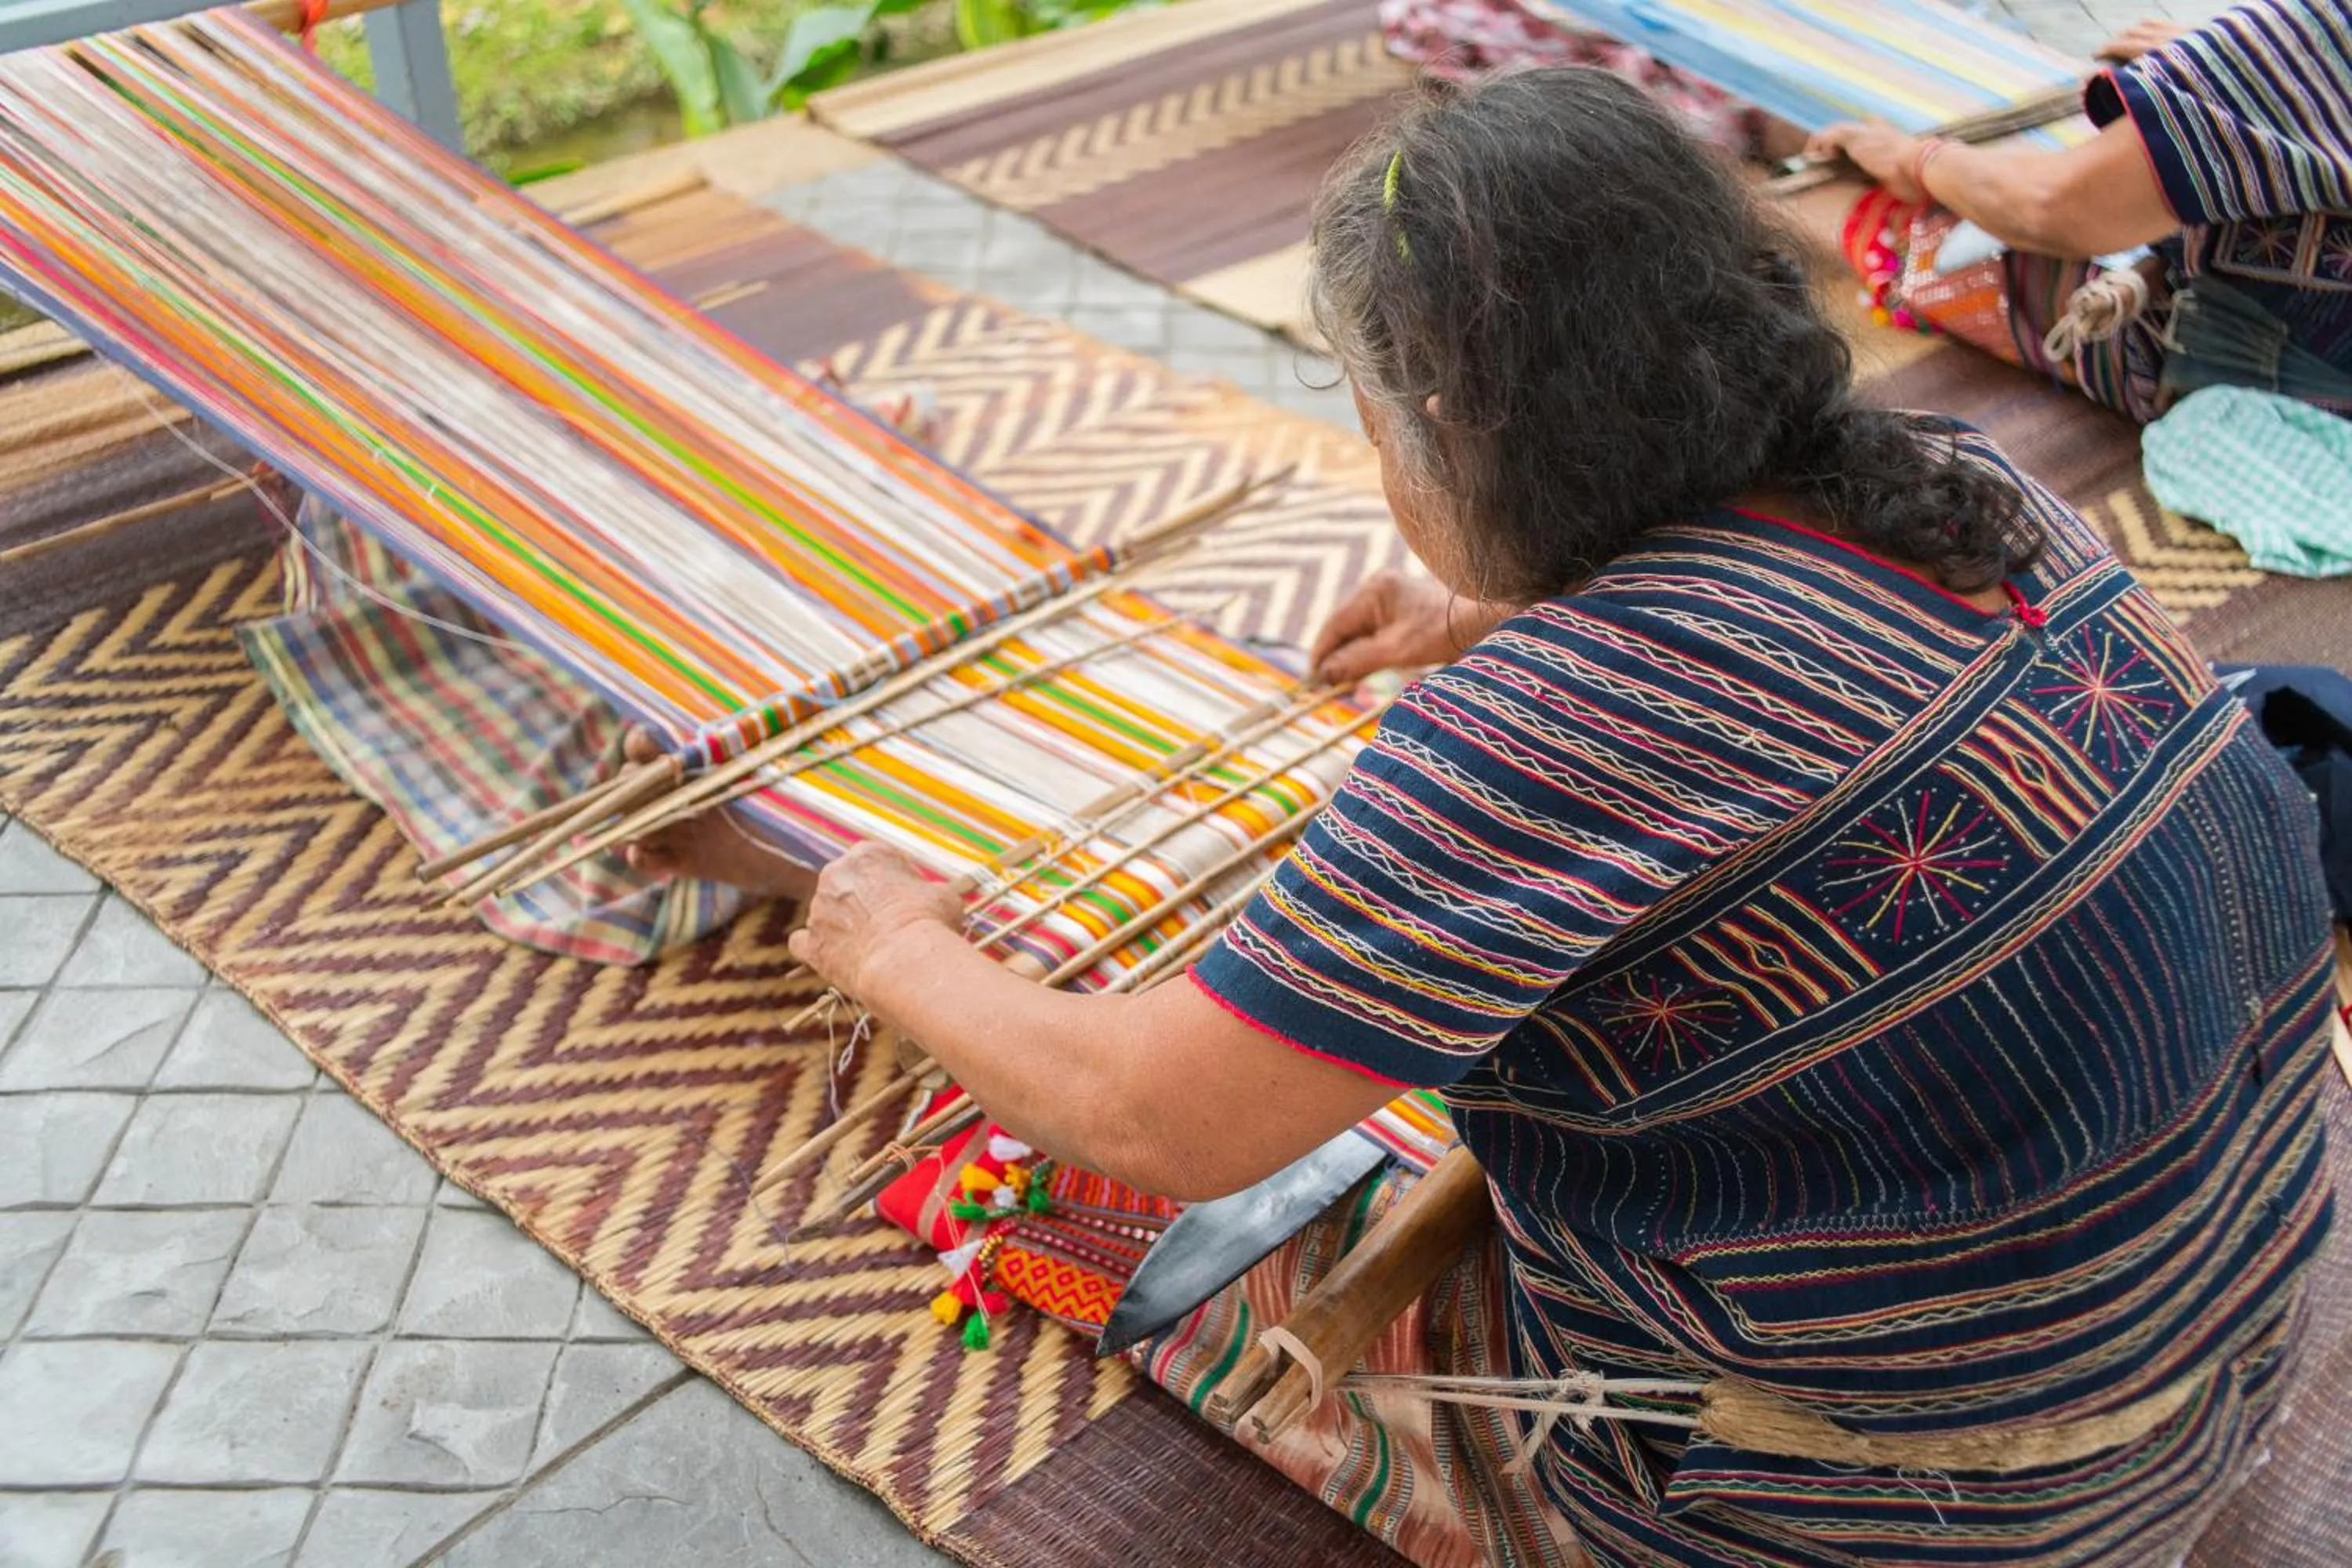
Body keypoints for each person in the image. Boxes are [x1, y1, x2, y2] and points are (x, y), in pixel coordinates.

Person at [680, 67, 2338, 1567]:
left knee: (1128, 1222)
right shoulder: (1968, 490)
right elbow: (1787, 706)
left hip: (1940, 1496)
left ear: (1448, 428)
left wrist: (890, 945)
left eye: (1371, 405)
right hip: (2249, 1314)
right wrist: (1490, 611)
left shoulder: (1540, 738)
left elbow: (1157, 1120)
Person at [1806, 0, 2352, 421]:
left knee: (1881, 220)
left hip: (2278, 389)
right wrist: (2234, 75)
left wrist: (1913, 158)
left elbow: (2052, 208)